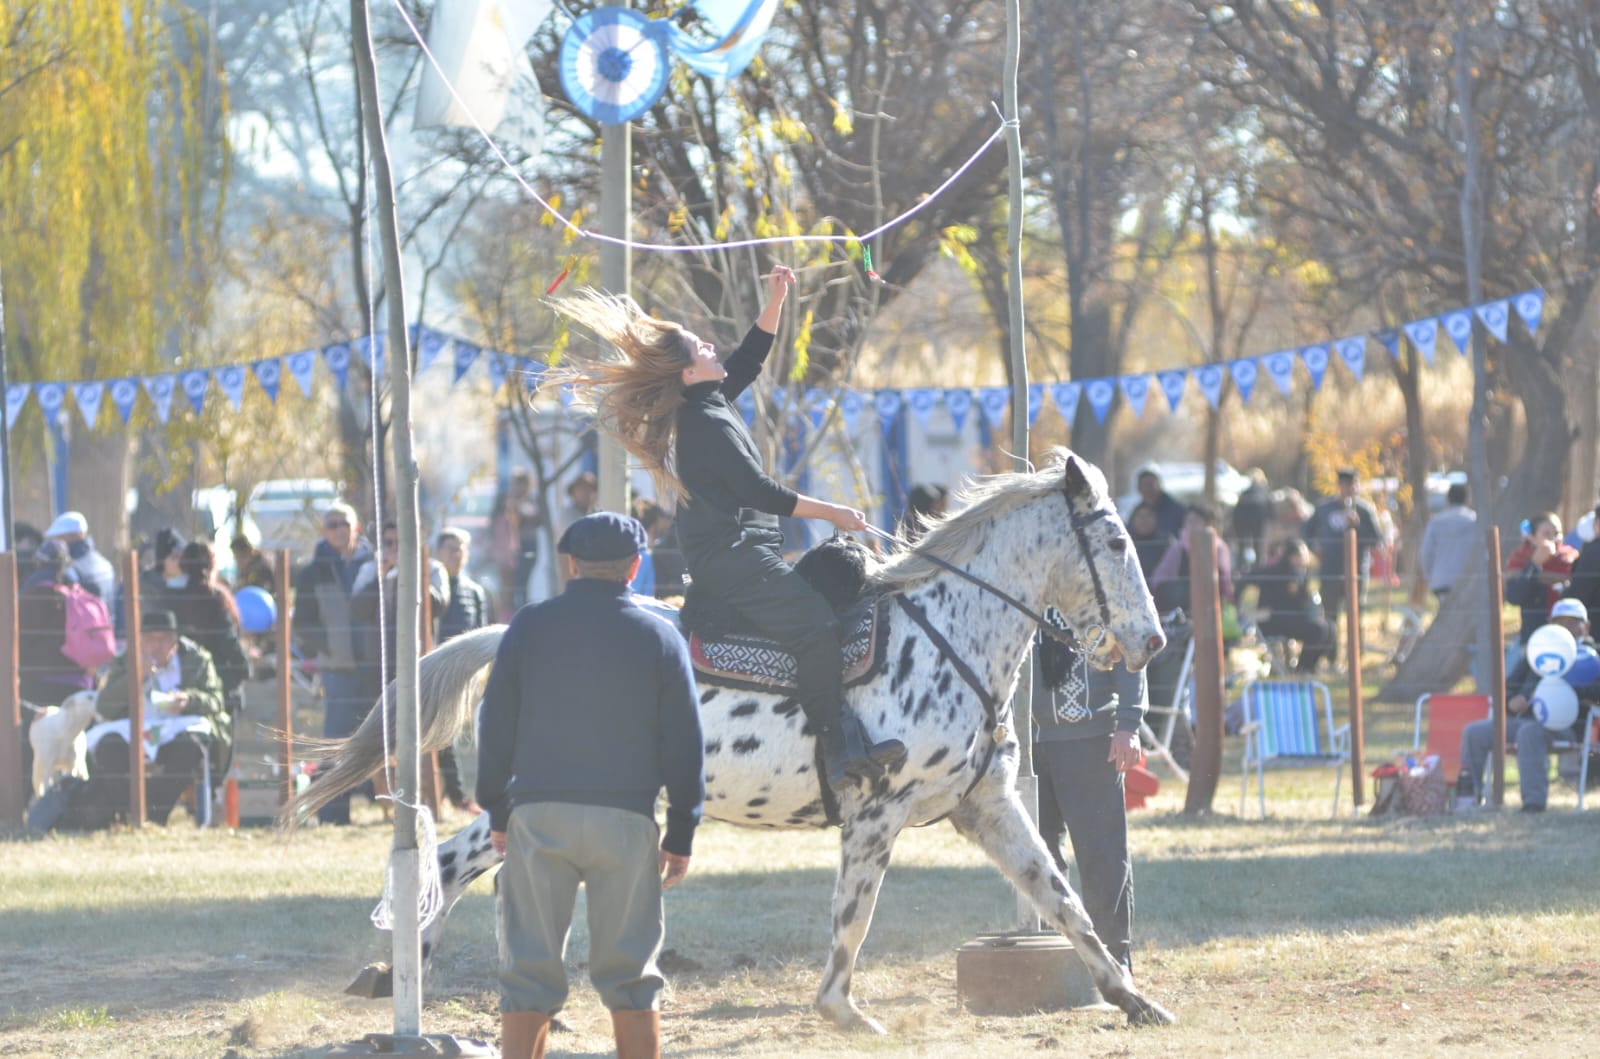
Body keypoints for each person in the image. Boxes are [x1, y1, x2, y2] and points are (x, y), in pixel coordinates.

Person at [548, 266, 904, 785]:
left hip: (747, 548)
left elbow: (749, 358)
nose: (712, 348)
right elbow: (761, 493)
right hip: (731, 558)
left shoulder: (709, 398)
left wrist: (776, 297)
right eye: (702, 349)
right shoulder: (706, 424)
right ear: (690, 374)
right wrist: (836, 512)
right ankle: (839, 752)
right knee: (817, 627)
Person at [477, 512, 704, 1059]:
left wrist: (497, 811)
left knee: (527, 971)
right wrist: (680, 832)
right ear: (635, 567)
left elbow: (496, 724)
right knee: (630, 973)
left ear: (571, 564)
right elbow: (685, 743)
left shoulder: (528, 626)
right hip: (626, 822)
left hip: (539, 813)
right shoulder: (660, 635)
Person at [1032, 649, 1146, 972]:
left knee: (1102, 854)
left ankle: (1113, 961)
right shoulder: (1019, 595)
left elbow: (1129, 650)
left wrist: (1128, 724)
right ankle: (1052, 957)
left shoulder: (1102, 599)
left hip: (1091, 737)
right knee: (1038, 858)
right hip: (1026, 744)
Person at [92, 609, 228, 825]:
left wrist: (189, 700)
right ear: (139, 642)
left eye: (163, 639)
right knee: (108, 747)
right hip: (136, 732)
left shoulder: (196, 659)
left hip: (177, 729)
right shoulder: (125, 661)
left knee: (191, 746)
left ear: (175, 642)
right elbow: (104, 706)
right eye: (150, 639)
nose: (157, 646)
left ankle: (156, 814)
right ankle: (130, 812)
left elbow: (217, 700)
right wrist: (134, 677)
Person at [1460, 598, 1594, 812]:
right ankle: (1468, 797)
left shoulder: (1590, 656)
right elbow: (1507, 687)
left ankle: (1533, 803)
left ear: (1585, 627)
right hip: (1522, 720)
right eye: (1560, 622)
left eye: (1572, 622)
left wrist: (1567, 691)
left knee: (1529, 733)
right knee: (1475, 732)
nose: (1565, 628)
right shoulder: (1537, 653)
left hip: (1565, 727)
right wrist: (1510, 701)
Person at [294, 501, 382, 825]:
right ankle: (333, 813)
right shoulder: (312, 572)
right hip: (339, 670)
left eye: (344, 523)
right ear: (324, 531)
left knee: (381, 737)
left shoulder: (376, 563)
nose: (339, 529)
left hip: (376, 666)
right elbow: (302, 624)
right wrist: (329, 648)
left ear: (356, 527)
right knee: (336, 741)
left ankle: (387, 806)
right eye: (332, 525)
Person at [15, 540, 97, 806]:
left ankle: (31, 806)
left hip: (39, 685)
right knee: (76, 751)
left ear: (39, 563)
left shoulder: (32, 595)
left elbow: (19, 641)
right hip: (78, 688)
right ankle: (80, 806)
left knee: (36, 752)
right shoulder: (76, 591)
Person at [168, 541, 252, 745]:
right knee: (220, 752)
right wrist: (243, 669)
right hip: (219, 686)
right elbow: (228, 642)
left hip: (180, 684)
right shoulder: (215, 600)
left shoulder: (170, 599)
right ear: (212, 564)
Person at [1305, 468, 1382, 658]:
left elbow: (1375, 539)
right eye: (1347, 485)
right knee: (1330, 615)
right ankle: (1332, 657)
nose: (1350, 489)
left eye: (1354, 485)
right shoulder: (1324, 508)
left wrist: (1358, 526)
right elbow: (1306, 530)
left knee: (1355, 615)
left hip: (1356, 571)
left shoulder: (1364, 510)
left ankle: (1356, 655)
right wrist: (1314, 547)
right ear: (1339, 486)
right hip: (1330, 569)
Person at [1239, 539, 1333, 673]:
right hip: (1273, 621)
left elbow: (1301, 602)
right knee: (1318, 629)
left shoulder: (1301, 573)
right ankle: (1302, 668)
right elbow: (1246, 579)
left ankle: (1308, 667)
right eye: (1301, 556)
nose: (1305, 559)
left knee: (1330, 628)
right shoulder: (1275, 571)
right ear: (1291, 557)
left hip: (1293, 619)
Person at [1147, 503, 1235, 618]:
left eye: (1196, 521)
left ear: (1207, 524)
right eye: (1188, 521)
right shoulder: (1177, 548)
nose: (1191, 525)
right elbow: (1159, 579)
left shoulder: (1219, 547)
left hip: (1210, 605)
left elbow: (1224, 582)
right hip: (1179, 606)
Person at [1504, 511, 1577, 644]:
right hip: (1535, 637)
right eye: (1546, 534)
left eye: (1557, 533)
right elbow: (1514, 597)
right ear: (1532, 537)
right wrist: (1534, 564)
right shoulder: (1521, 560)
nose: (1553, 539)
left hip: (1568, 638)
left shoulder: (1571, 558)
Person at [491, 469, 544, 613]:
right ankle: (510, 613)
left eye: (524, 484)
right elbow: (498, 522)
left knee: (523, 581)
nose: (521, 488)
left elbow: (540, 520)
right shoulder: (505, 500)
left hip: (529, 545)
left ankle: (522, 609)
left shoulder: (532, 500)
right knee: (509, 584)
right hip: (508, 549)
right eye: (518, 483)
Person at [1418, 482, 1477, 602]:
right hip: (1469, 581)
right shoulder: (1474, 521)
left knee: (1447, 616)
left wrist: (1431, 575)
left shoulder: (1436, 522)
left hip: (1442, 581)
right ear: (1468, 500)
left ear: (1448, 500)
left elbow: (1426, 553)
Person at [43, 510, 115, 601]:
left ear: (78, 535)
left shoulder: (72, 569)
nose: (57, 542)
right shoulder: (105, 564)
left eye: (60, 537)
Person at [1229, 468, 1272, 569]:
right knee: (1259, 547)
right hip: (1259, 521)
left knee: (1242, 547)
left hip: (1242, 521)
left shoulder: (1245, 493)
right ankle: (1259, 570)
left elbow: (1236, 511)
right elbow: (1270, 510)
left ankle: (1240, 569)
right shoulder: (1264, 492)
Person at [1132, 464, 1186, 543]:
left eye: (1151, 485)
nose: (1148, 489)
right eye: (1145, 485)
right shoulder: (1138, 511)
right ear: (1139, 488)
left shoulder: (1176, 510)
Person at [1126, 502, 1167, 582]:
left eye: (1148, 516)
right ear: (1133, 519)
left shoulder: (1166, 542)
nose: (1144, 520)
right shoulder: (1125, 543)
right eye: (1140, 516)